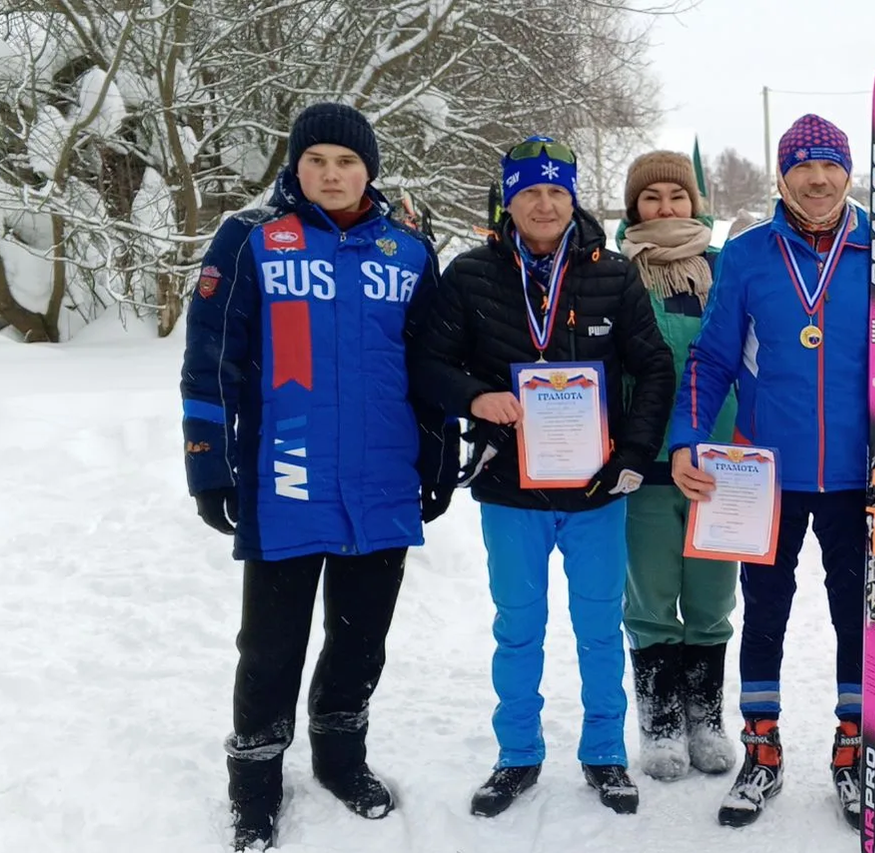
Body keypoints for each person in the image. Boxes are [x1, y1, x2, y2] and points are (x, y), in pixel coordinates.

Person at [180, 102, 458, 851]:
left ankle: (340, 759)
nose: (332, 175)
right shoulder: (250, 238)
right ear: (295, 166)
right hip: (287, 478)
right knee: (270, 646)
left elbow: (431, 364)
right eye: (317, 161)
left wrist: (439, 454)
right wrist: (208, 462)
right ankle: (254, 783)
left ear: (370, 170)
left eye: (347, 161)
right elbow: (210, 358)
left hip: (382, 480)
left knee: (360, 638)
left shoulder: (408, 250)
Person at [666, 113, 875, 829]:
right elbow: (712, 358)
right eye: (803, 167)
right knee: (764, 613)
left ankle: (851, 754)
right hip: (765, 475)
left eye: (830, 167)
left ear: (849, 174)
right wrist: (688, 437)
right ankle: (762, 752)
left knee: (857, 615)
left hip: (862, 475)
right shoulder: (749, 255)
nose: (817, 180)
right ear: (783, 176)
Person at [405, 135, 675, 818]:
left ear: (573, 199)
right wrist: (476, 398)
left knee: (598, 627)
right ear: (509, 200)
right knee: (518, 626)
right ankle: (517, 754)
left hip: (595, 490)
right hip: (510, 487)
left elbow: (654, 368)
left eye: (557, 191)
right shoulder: (470, 274)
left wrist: (635, 453)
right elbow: (428, 364)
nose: (545, 204)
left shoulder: (614, 273)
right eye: (530, 191)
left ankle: (604, 753)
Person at [615, 150, 740, 781]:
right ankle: (661, 725)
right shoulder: (617, 275)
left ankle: (706, 719)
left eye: (677, 195)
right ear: (633, 208)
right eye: (651, 197)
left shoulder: (724, 271)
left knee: (713, 597)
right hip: (646, 467)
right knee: (651, 598)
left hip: (723, 467)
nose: (665, 207)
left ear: (697, 203)